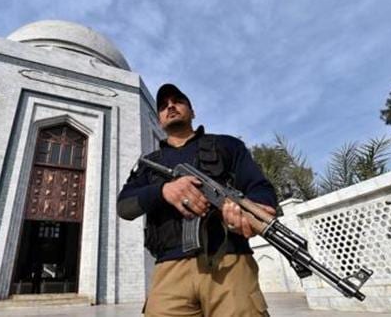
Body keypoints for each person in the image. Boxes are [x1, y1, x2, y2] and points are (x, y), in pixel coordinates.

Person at [117, 83, 277, 317]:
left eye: (178, 101)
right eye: (163, 106)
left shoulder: (227, 145)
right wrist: (163, 191)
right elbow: (125, 206)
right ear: (159, 119)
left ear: (193, 112)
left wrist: (252, 211)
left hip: (230, 264)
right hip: (169, 272)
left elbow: (259, 187)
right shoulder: (149, 164)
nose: (170, 106)